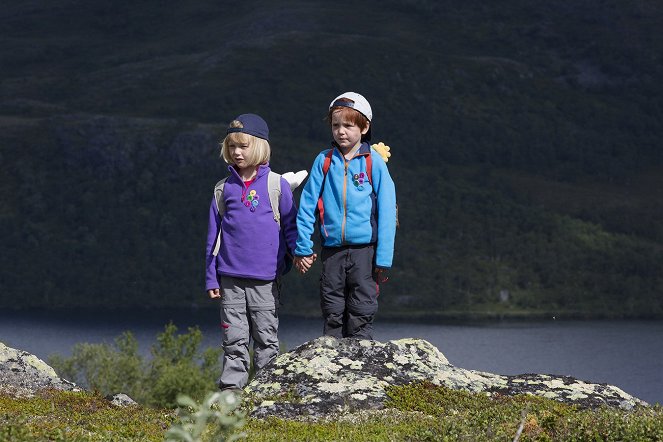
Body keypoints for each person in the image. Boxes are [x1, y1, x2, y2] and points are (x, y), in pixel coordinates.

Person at [205, 113, 297, 390]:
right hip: (229, 278)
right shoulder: (223, 189)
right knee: (234, 339)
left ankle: (266, 389)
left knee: (266, 339)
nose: (236, 152)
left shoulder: (276, 185)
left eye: (243, 146)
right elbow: (213, 238)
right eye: (232, 146)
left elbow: (291, 227)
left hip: (265, 278)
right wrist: (211, 277)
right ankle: (231, 393)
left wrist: (298, 256)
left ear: (259, 145)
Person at [294, 92, 397, 339]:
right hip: (332, 250)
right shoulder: (324, 161)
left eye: (348, 125)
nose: (341, 131)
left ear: (364, 127)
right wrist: (303, 247)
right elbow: (307, 204)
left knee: (362, 306)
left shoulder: (373, 162)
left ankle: (361, 361)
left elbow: (387, 209)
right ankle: (333, 359)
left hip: (366, 251)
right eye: (335, 125)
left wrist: (383, 258)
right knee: (332, 306)